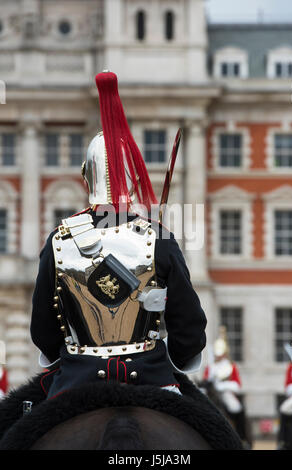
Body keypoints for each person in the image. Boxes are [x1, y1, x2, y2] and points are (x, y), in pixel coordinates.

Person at [30, 71, 207, 400]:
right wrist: (176, 358)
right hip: (153, 378)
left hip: (75, 381)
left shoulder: (58, 240)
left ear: (87, 176)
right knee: (218, 433)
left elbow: (43, 329)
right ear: (134, 176)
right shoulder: (160, 238)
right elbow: (190, 329)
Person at [203, 327, 249, 445]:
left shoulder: (231, 367)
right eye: (217, 354)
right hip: (212, 393)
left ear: (224, 354)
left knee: (236, 408)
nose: (218, 357)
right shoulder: (210, 367)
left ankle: (243, 438)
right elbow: (205, 381)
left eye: (220, 354)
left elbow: (237, 385)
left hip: (225, 392)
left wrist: (222, 386)